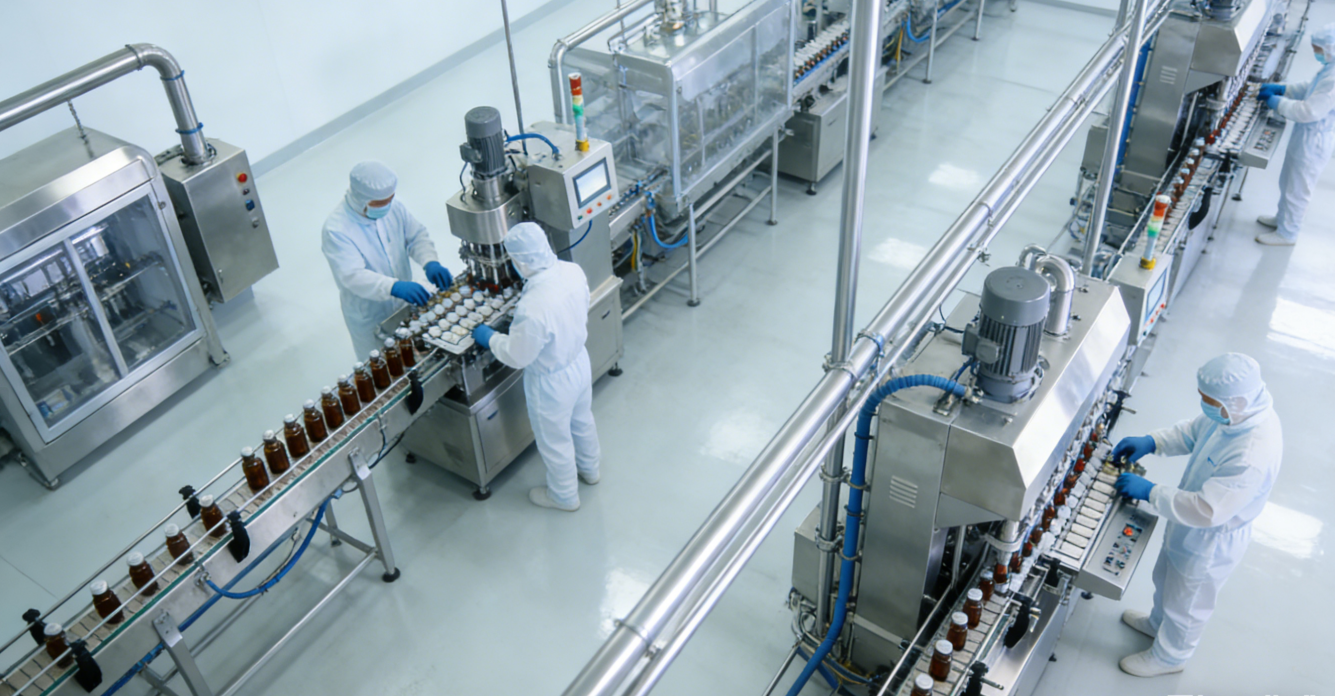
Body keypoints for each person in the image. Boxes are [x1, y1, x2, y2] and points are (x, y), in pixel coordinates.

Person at [1109, 353, 1282, 677]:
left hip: (1212, 539)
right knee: (1166, 577)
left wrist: (1151, 491)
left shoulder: (1252, 453)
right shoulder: (1233, 414)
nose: (1204, 405)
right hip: (1190, 523)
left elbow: (1207, 510)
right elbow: (1193, 432)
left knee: (1186, 602)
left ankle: (1171, 657)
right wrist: (1153, 441)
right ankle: (1157, 624)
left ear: (1234, 402)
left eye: (1209, 401)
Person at [471, 222, 601, 511]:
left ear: (520, 262)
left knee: (555, 441)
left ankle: (564, 496)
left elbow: (518, 355)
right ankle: (590, 469)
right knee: (582, 421)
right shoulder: (572, 270)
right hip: (579, 362)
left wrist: (490, 338)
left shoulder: (533, 306)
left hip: (551, 383)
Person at [322, 161, 453, 358]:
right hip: (370, 315)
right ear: (361, 199)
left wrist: (430, 261)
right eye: (379, 204)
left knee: (412, 353)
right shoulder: (337, 230)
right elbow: (352, 276)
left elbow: (415, 236)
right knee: (382, 363)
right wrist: (393, 287)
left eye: (389, 200)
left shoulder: (393, 207)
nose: (386, 207)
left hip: (404, 303)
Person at [1254, 23, 1335, 246]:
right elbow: (1311, 88)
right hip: (1306, 135)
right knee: (1288, 181)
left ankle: (1287, 233)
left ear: (1330, 48)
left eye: (1318, 49)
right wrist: (1285, 89)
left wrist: (1277, 102)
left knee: (1298, 189)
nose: (1315, 52)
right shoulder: (1330, 68)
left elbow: (1308, 111)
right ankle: (1282, 219)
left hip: (1314, 139)